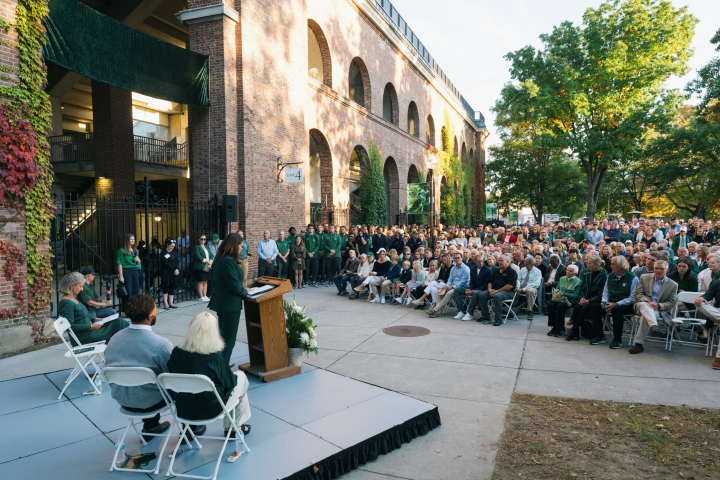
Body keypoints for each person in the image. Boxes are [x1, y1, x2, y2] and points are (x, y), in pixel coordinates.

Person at [167, 312, 251, 438]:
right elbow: (230, 384)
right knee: (241, 378)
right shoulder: (215, 357)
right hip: (211, 408)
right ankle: (233, 428)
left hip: (184, 407)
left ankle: (188, 429)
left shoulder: (176, 352)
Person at [104, 294, 174, 440]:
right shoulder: (160, 344)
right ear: (150, 316)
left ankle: (151, 427)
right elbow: (171, 377)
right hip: (152, 403)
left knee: (144, 382)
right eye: (156, 310)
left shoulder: (114, 339)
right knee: (180, 384)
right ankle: (191, 428)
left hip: (123, 400)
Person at [207, 233, 248, 364]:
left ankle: (221, 365)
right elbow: (234, 286)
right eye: (240, 246)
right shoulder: (228, 261)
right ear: (234, 246)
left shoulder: (220, 259)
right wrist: (246, 292)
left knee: (222, 338)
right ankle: (223, 370)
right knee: (228, 340)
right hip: (230, 304)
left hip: (223, 303)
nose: (241, 249)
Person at [57, 272, 129, 345]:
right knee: (119, 324)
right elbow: (70, 326)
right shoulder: (66, 303)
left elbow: (80, 318)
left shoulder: (72, 298)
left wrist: (93, 319)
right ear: (71, 286)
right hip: (84, 336)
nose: (82, 289)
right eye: (80, 286)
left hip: (89, 331)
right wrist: (91, 326)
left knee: (118, 321)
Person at [628, 261, 678, 354]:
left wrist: (659, 305)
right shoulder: (644, 277)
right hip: (641, 305)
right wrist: (648, 302)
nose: (658, 271)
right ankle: (654, 326)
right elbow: (638, 293)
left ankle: (638, 344)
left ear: (667, 270)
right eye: (656, 268)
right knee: (644, 305)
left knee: (646, 316)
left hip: (657, 309)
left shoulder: (673, 284)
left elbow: (671, 302)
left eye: (661, 269)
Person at [566, 255, 608, 342]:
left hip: (597, 301)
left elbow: (602, 293)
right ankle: (576, 333)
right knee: (578, 307)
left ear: (597, 264)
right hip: (586, 300)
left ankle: (573, 330)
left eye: (590, 263)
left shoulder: (604, 276)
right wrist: (582, 298)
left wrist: (589, 301)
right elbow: (583, 289)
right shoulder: (587, 274)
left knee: (585, 308)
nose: (587, 265)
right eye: (587, 263)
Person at [601, 256, 638, 348]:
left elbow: (633, 298)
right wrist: (604, 302)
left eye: (613, 264)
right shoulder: (610, 276)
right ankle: (599, 335)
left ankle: (617, 339)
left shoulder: (633, 278)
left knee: (617, 310)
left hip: (626, 304)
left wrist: (617, 303)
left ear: (621, 265)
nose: (610, 266)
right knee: (594, 307)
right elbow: (605, 292)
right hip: (611, 302)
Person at [476, 255, 518, 326]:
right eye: (499, 261)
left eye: (502, 261)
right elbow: (490, 282)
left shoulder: (512, 272)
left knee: (497, 296)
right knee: (482, 295)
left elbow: (509, 286)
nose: (500, 262)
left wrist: (497, 291)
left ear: (507, 261)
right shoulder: (496, 271)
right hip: (494, 290)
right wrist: (489, 289)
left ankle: (498, 319)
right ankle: (486, 317)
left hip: (508, 292)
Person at [426, 251, 471, 317]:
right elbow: (450, 279)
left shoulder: (466, 269)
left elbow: (463, 282)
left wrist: (452, 287)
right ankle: (439, 312)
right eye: (455, 258)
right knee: (439, 292)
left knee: (448, 293)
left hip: (461, 287)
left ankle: (435, 310)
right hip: (451, 286)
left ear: (462, 258)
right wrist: (447, 286)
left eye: (458, 258)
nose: (457, 259)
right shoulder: (453, 268)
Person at [546, 264, 581, 337]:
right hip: (560, 299)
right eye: (567, 270)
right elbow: (558, 288)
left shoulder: (578, 282)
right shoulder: (562, 278)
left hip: (570, 301)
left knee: (560, 306)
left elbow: (575, 296)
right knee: (550, 304)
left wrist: (564, 294)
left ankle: (560, 328)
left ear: (575, 273)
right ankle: (554, 327)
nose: (568, 272)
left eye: (570, 271)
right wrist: (557, 293)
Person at [454, 253, 492, 321]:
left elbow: (485, 285)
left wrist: (473, 290)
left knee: (476, 293)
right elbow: (472, 282)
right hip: (474, 288)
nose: (481, 263)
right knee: (457, 290)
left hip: (482, 289)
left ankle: (470, 313)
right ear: (475, 262)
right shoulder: (473, 269)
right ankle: (461, 311)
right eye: (479, 262)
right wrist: (469, 289)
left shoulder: (488, 270)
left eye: (482, 261)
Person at [117, 233, 142, 314]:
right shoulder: (121, 250)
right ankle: (125, 310)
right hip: (126, 271)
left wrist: (138, 260)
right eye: (131, 239)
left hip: (134, 270)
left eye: (134, 239)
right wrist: (121, 276)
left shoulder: (134, 250)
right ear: (127, 240)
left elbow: (138, 261)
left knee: (136, 290)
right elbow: (119, 264)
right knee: (128, 292)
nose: (133, 241)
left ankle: (134, 309)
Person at [517, 255, 542, 320]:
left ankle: (530, 311)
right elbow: (518, 279)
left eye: (527, 264)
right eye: (524, 264)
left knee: (530, 291)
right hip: (521, 286)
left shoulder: (538, 272)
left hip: (532, 287)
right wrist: (518, 287)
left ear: (532, 264)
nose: (525, 265)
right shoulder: (522, 270)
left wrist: (523, 289)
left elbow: (534, 283)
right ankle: (511, 307)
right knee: (512, 288)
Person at [160, 238, 180, 309]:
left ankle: (171, 302)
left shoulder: (174, 252)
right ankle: (165, 303)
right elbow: (165, 263)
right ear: (167, 245)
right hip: (166, 272)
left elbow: (177, 261)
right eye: (171, 246)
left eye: (173, 246)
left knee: (172, 287)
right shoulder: (163, 252)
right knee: (166, 287)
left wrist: (177, 269)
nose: (172, 248)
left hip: (174, 272)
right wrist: (174, 269)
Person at [194, 234, 214, 302]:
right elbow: (198, 256)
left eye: (204, 239)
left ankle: (205, 295)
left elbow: (211, 255)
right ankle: (201, 296)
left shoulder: (207, 247)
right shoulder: (196, 247)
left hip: (207, 267)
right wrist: (207, 261)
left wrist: (210, 262)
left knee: (206, 281)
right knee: (201, 281)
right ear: (199, 239)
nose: (203, 240)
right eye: (202, 239)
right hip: (200, 267)